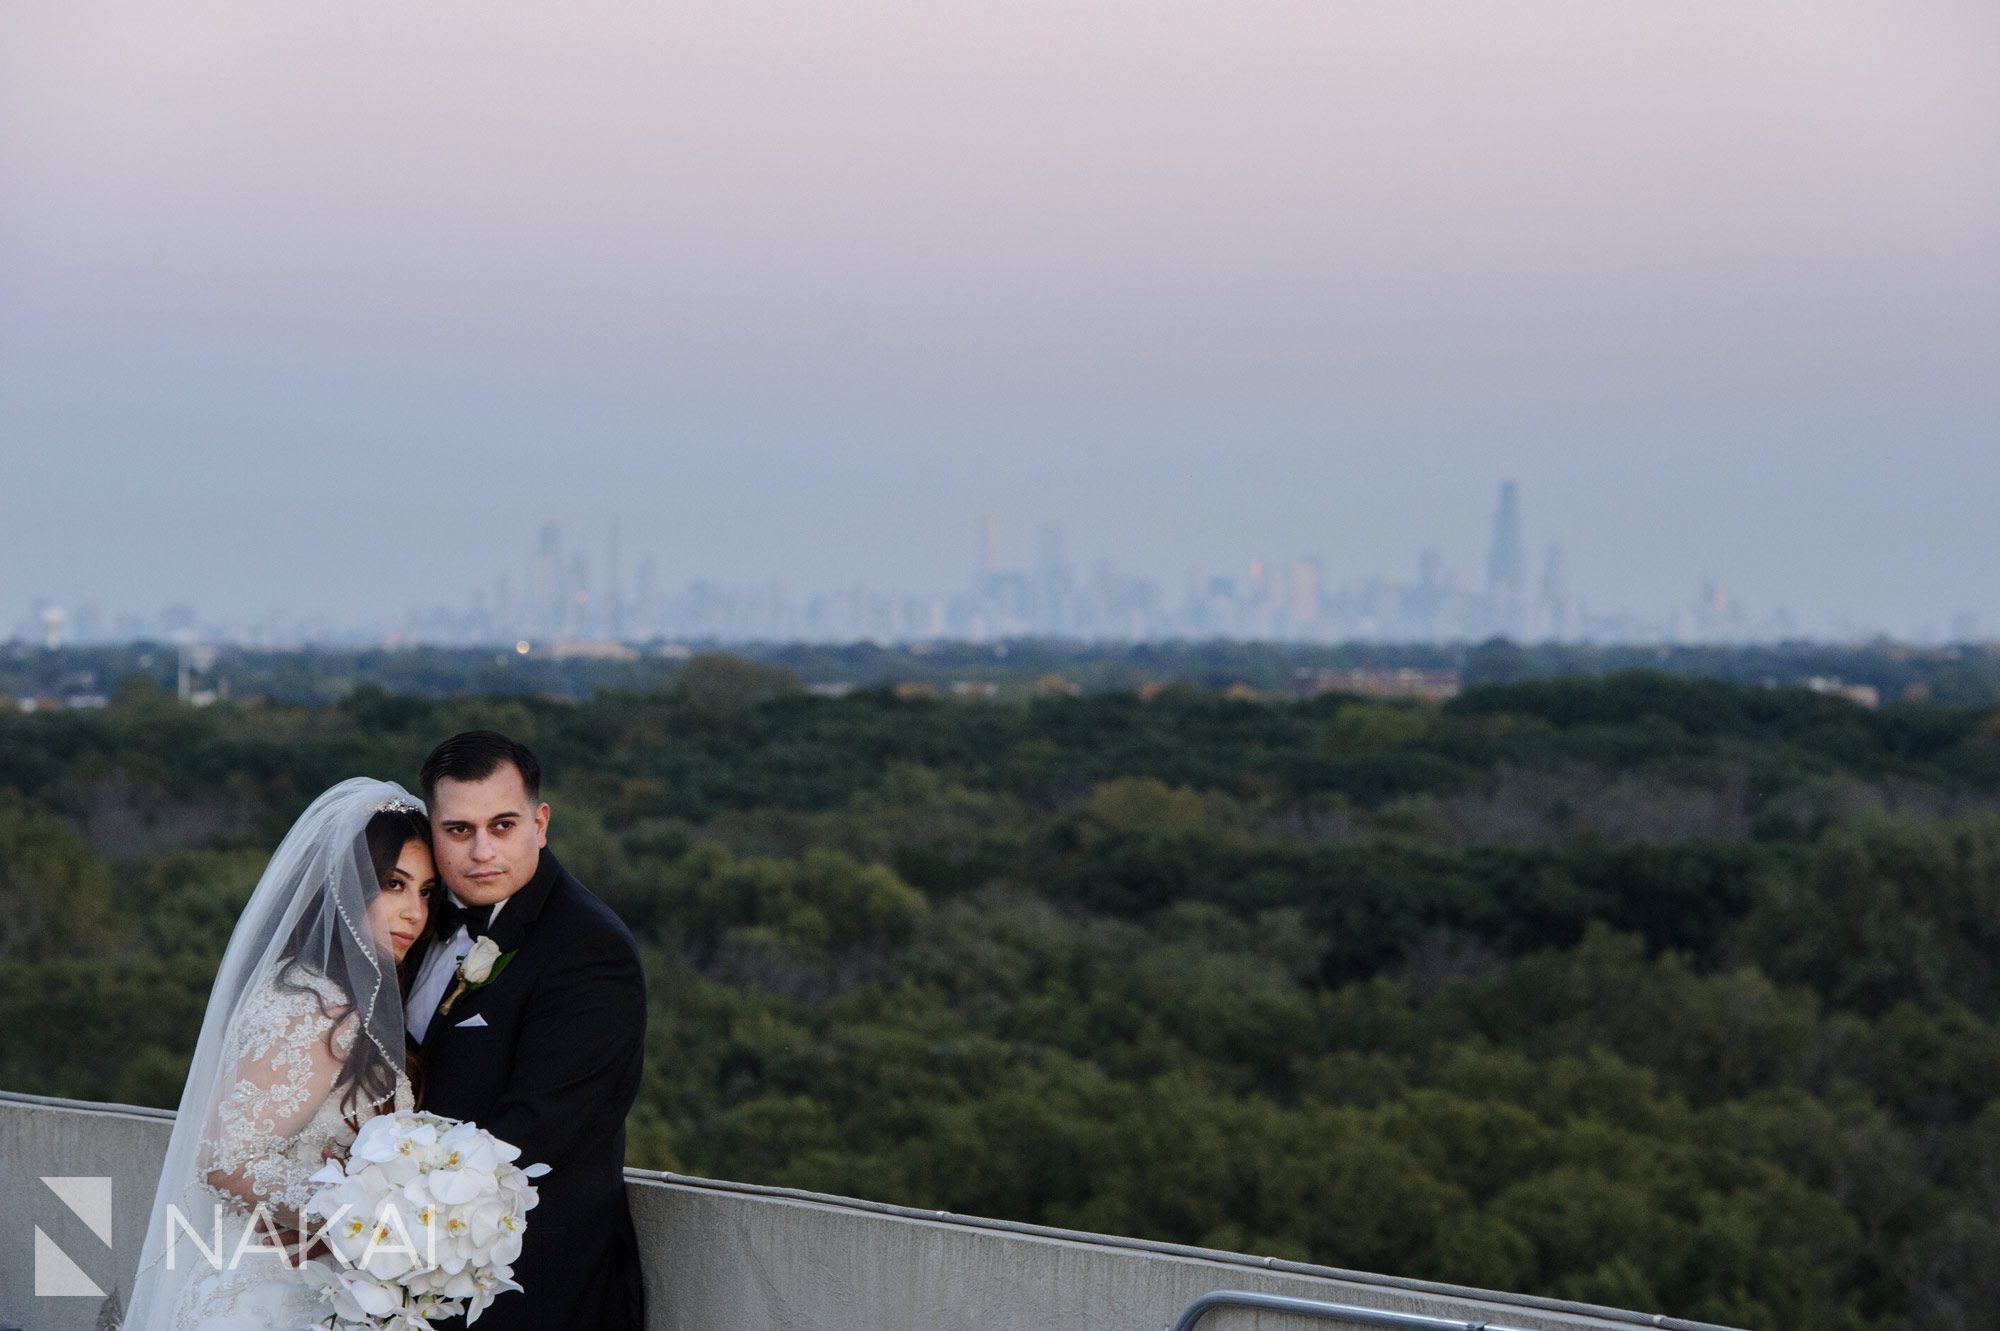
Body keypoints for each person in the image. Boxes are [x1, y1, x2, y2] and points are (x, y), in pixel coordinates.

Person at [123, 779, 438, 1331]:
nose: (414, 911)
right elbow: (225, 1159)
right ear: (345, 887)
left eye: (427, 892)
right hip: (266, 1299)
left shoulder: (331, 996)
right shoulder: (317, 1003)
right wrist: (355, 1221)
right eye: (394, 884)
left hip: (316, 1292)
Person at [404, 730, 646, 1330]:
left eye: (502, 825)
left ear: (540, 823)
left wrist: (378, 1206)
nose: (482, 850)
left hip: (531, 1289)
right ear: (432, 831)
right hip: (405, 1278)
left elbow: (534, 1132)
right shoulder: (410, 918)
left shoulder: (590, 950)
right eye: (459, 830)